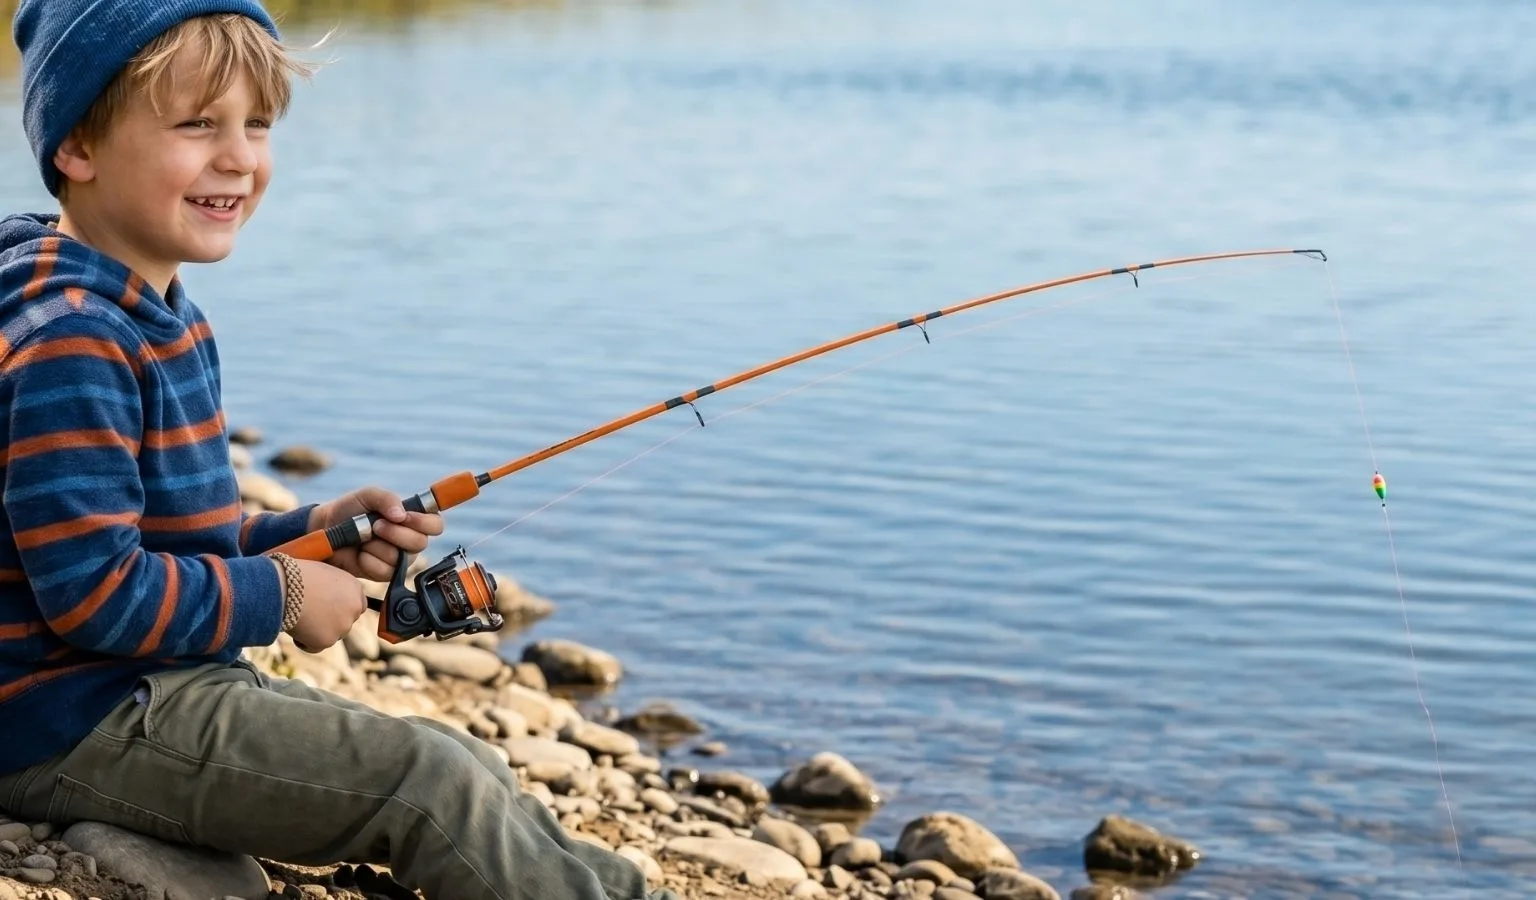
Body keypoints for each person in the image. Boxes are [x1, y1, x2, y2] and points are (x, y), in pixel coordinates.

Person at [0, 3, 674, 898]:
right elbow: (95, 594)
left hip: (124, 688)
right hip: (63, 721)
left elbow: (162, 541)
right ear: (77, 149)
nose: (237, 156)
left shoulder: (147, 307)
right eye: (197, 123)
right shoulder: (75, 339)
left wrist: (309, 531)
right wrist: (280, 595)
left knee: (456, 755)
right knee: (430, 786)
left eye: (257, 124)